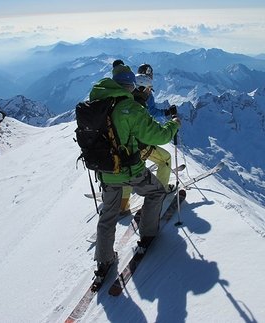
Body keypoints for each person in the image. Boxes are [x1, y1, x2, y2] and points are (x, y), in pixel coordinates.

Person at [91, 61, 181, 288]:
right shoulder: (129, 109)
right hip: (129, 169)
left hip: (105, 171)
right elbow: (158, 136)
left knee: (108, 216)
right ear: (129, 86)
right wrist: (173, 125)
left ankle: (104, 261)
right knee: (155, 192)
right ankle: (148, 235)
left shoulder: (97, 103)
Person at [119, 72, 176, 211]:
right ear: (141, 89)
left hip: (122, 147)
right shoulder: (139, 107)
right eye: (148, 89)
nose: (150, 92)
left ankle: (122, 204)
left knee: (128, 168)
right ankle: (161, 191)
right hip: (140, 146)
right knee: (165, 159)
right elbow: (152, 134)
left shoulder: (124, 101)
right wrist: (173, 124)